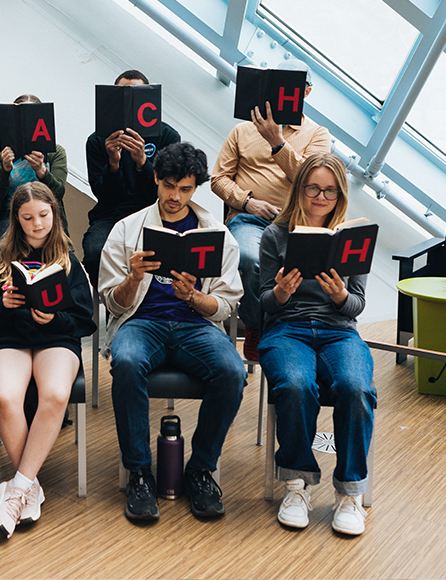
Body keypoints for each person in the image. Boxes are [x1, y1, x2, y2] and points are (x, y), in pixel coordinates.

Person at [98, 142, 246, 521]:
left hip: (195, 325)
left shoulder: (218, 234)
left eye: (184, 189)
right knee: (127, 362)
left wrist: (194, 296)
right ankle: (140, 473)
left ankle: (200, 470)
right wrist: (133, 278)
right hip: (141, 322)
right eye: (168, 186)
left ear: (195, 187)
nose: (174, 197)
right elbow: (113, 305)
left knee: (233, 372)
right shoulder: (126, 230)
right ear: (156, 181)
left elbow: (226, 306)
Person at [258, 152, 376, 536]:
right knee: (294, 385)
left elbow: (357, 303)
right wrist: (280, 292)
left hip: (339, 330)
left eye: (329, 190)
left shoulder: (352, 237)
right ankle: (298, 484)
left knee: (356, 388)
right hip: (287, 327)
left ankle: (349, 493)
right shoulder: (276, 234)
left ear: (339, 193)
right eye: (313, 188)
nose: (320, 197)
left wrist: (341, 295)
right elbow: (263, 303)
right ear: (300, 189)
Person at [0, 182, 95, 539]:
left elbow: (85, 320)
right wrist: (2, 305)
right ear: (16, 219)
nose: (37, 224)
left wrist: (55, 318)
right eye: (27, 218)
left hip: (56, 337)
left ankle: (16, 490)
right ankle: (29, 487)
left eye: (43, 215)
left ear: (54, 214)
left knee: (55, 394)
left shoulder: (69, 260)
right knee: (6, 395)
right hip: (9, 337)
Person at [211, 59, 331, 361]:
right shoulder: (241, 130)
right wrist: (247, 201)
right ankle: (258, 327)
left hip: (295, 222)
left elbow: (313, 179)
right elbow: (218, 179)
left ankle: (296, 330)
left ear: (306, 92)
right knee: (250, 258)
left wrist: (276, 141)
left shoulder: (318, 134)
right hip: (249, 219)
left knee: (309, 271)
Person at [83, 69, 181, 288]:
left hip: (154, 213)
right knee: (95, 252)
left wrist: (142, 162)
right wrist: (113, 163)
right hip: (111, 215)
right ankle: (112, 306)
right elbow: (104, 196)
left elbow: (166, 192)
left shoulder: (167, 136)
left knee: (170, 256)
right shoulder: (98, 140)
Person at [0, 94, 69, 243]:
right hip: (10, 216)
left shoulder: (55, 152)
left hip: (47, 213)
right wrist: (5, 169)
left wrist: (42, 171)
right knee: (0, 251)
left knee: (64, 249)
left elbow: (59, 193)